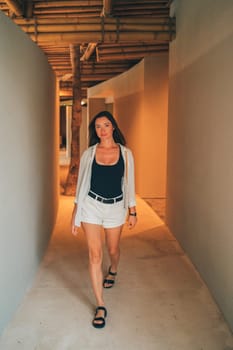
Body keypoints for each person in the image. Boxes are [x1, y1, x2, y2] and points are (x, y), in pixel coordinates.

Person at [71, 110, 137, 329]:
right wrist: (76, 213)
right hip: (91, 205)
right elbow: (81, 184)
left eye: (106, 125)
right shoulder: (89, 154)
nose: (102, 130)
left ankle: (114, 268)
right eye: (97, 126)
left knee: (112, 250)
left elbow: (129, 182)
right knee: (95, 254)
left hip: (116, 208)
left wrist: (132, 210)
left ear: (113, 127)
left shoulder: (126, 153)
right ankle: (100, 304)